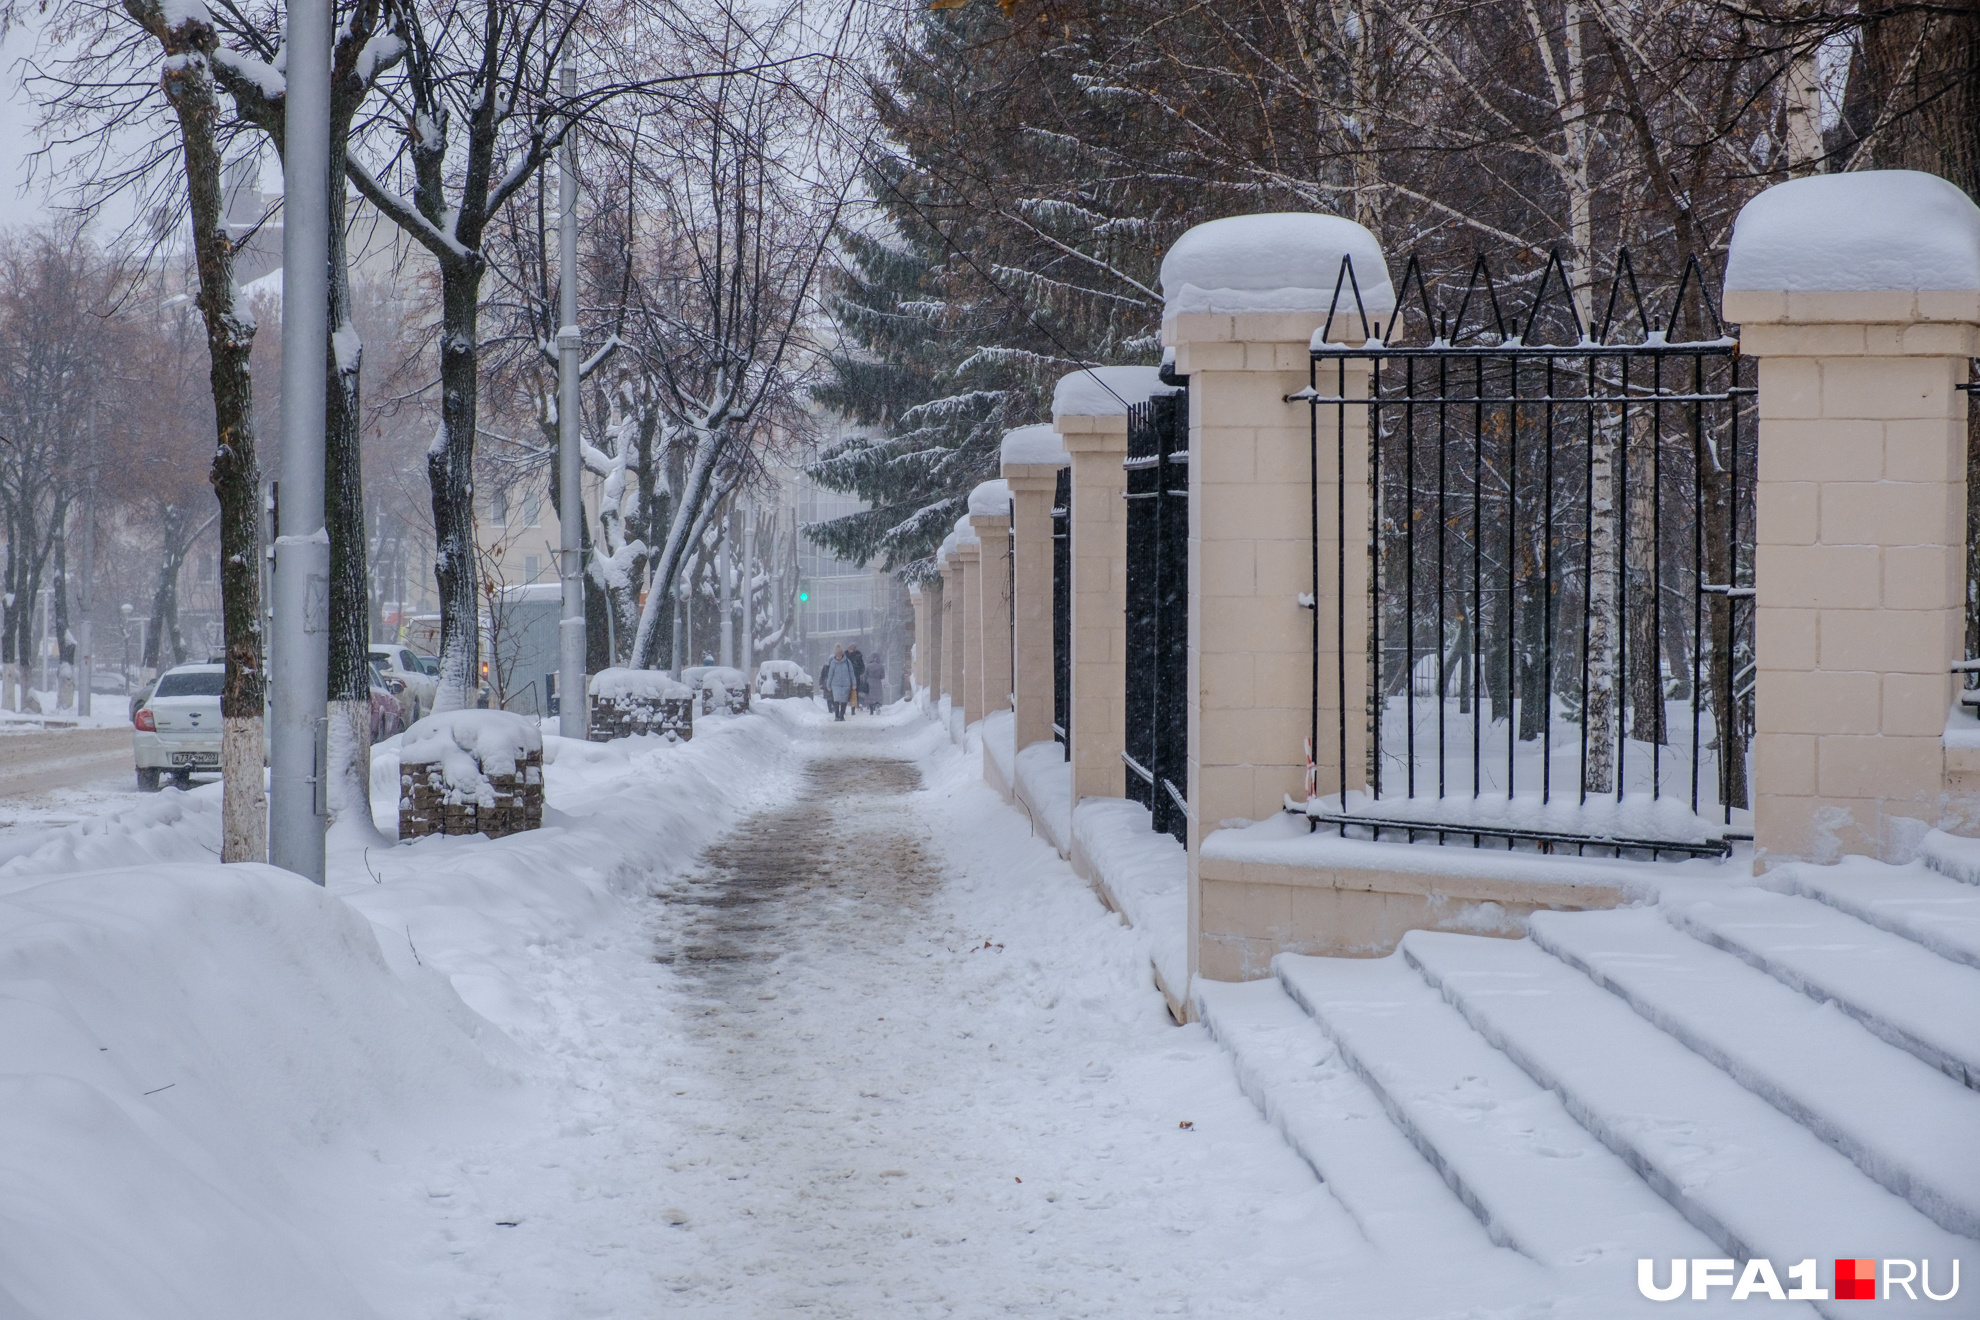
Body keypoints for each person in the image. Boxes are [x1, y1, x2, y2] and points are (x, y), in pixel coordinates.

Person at [821, 644, 856, 721]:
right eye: (837, 655)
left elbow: (851, 673)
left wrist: (854, 683)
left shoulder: (847, 662)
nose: (838, 657)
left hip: (846, 684)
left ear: (842, 654)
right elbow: (830, 674)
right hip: (835, 684)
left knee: (844, 700)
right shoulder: (833, 663)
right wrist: (828, 685)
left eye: (839, 655)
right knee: (836, 700)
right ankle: (837, 716)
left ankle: (842, 715)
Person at [847, 643, 867, 714]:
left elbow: (862, 667)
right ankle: (846, 706)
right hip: (847, 677)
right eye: (850, 648)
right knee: (847, 692)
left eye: (853, 648)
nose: (851, 649)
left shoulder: (858, 656)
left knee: (854, 693)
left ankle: (853, 707)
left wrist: (858, 673)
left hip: (855, 677)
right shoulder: (845, 655)